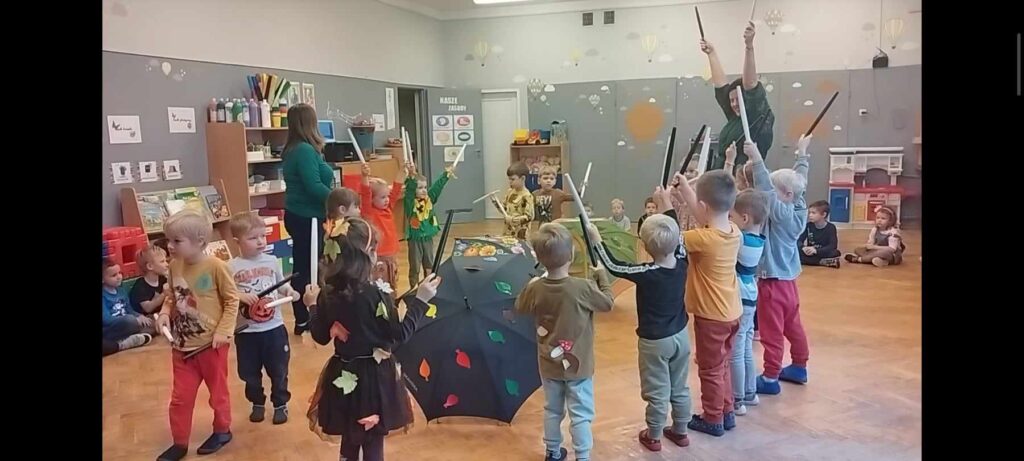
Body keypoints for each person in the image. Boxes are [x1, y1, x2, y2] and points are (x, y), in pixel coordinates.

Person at [304, 218, 440, 461]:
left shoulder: (328, 292)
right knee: (372, 437)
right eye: (374, 249)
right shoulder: (377, 294)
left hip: (343, 372)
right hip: (375, 378)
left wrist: (312, 306)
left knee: (350, 435)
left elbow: (320, 336)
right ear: (365, 256)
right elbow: (400, 334)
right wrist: (421, 301)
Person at [587, 188, 692, 452]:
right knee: (680, 386)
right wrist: (666, 203)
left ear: (644, 246)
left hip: (654, 342)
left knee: (657, 390)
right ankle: (681, 430)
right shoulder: (682, 260)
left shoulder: (647, 272)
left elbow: (614, 266)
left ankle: (653, 435)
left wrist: (596, 240)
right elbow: (677, 233)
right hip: (681, 336)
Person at [516, 223, 615, 461]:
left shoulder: (536, 288)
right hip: (578, 365)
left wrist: (530, 285)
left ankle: (552, 451)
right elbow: (608, 303)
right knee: (580, 414)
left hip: (549, 364)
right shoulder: (582, 287)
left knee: (552, 409)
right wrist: (602, 276)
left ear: (540, 258)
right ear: (571, 255)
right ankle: (582, 456)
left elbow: (520, 306)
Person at [155, 211, 240, 461]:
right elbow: (173, 296)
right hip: (182, 348)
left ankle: (222, 431)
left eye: (176, 241)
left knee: (218, 394)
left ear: (200, 241)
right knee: (180, 399)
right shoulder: (174, 266)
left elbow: (232, 300)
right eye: (168, 240)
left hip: (212, 347)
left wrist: (223, 331)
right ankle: (180, 443)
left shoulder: (216, 267)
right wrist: (164, 312)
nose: (169, 246)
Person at [669, 170, 742, 437]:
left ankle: (713, 418)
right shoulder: (733, 231)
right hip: (732, 312)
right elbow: (706, 216)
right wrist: (686, 188)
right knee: (722, 365)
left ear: (703, 205)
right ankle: (726, 410)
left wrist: (666, 202)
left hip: (712, 318)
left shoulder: (701, 238)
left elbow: (669, 236)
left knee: (710, 369)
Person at [747, 137, 813, 396]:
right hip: (789, 284)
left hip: (773, 285)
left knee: (771, 332)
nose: (769, 196)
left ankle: (771, 376)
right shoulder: (797, 205)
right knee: (793, 327)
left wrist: (756, 158)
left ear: (785, 195)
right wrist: (802, 153)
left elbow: (765, 187)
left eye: (774, 193)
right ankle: (799, 366)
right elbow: (800, 180)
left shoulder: (782, 213)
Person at [228, 212, 301, 426]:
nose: (260, 241)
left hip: (274, 328)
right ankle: (257, 402)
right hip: (247, 332)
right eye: (253, 238)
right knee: (248, 373)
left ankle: (280, 403)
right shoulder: (230, 267)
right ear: (237, 241)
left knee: (279, 369)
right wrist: (240, 296)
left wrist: (290, 291)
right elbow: (226, 294)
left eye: (263, 236)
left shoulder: (272, 261)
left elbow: (281, 284)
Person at [281, 103, 333, 335]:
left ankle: (305, 317)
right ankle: (306, 318)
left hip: (301, 215)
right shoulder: (303, 150)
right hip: (307, 217)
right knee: (308, 269)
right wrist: (339, 200)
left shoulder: (297, 149)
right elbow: (314, 186)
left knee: (305, 266)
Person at [701, 22, 776, 172]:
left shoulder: (756, 116)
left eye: (738, 100)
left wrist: (749, 47)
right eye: (731, 100)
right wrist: (712, 54)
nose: (734, 104)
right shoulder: (735, 118)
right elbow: (721, 86)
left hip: (744, 179)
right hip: (723, 177)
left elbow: (750, 84)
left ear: (748, 99)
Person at [726, 190, 768, 417]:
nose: (729, 221)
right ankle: (750, 393)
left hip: (741, 297)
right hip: (751, 295)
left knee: (736, 350)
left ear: (744, 218)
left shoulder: (741, 239)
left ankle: (737, 399)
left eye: (731, 217)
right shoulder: (759, 239)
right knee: (746, 347)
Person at [404, 160, 455, 289]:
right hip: (415, 239)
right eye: (420, 188)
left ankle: (429, 285)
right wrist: (411, 177)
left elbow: (437, 187)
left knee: (429, 264)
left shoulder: (429, 200)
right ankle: (413, 288)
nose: (424, 191)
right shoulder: (410, 202)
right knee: (415, 266)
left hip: (428, 238)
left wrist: (446, 175)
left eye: (425, 187)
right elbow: (409, 190)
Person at [359, 162, 405, 292]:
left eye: (387, 196)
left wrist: (402, 172)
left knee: (392, 283)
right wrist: (365, 176)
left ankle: (391, 300)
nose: (387, 200)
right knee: (380, 285)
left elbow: (395, 190)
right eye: (382, 197)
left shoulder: (388, 208)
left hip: (391, 255)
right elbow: (365, 194)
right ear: (372, 199)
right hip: (379, 256)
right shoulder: (369, 212)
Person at [103, 258, 154, 353]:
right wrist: (132, 319)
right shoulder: (103, 295)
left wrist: (139, 316)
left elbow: (129, 309)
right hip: (111, 329)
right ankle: (125, 338)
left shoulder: (121, 291)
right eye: (114, 275)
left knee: (152, 321)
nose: (119, 277)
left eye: (120, 273)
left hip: (128, 324)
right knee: (130, 321)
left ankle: (131, 337)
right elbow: (106, 320)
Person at [492, 161, 535, 239]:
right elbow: (504, 209)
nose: (510, 182)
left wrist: (513, 219)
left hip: (520, 232)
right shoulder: (509, 192)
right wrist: (496, 203)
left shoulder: (527, 196)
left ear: (523, 178)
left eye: (513, 179)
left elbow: (529, 217)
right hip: (508, 231)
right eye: (509, 179)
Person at [129, 244, 170, 315]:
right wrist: (163, 294)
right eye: (162, 261)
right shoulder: (140, 286)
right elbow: (148, 308)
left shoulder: (163, 279)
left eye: (166, 261)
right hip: (146, 317)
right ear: (150, 266)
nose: (167, 264)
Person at [800, 201, 841, 268]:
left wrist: (816, 251)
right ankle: (823, 262)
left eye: (813, 213)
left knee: (836, 253)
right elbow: (799, 240)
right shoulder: (808, 226)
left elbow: (833, 245)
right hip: (810, 252)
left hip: (822, 252)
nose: (810, 215)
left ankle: (816, 261)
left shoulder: (831, 227)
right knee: (796, 251)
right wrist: (803, 247)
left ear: (823, 215)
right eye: (809, 212)